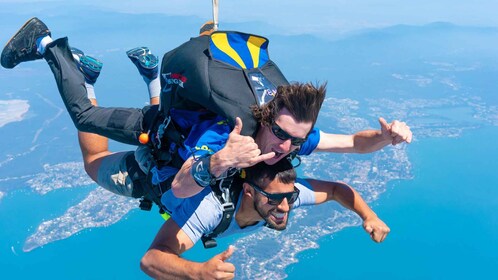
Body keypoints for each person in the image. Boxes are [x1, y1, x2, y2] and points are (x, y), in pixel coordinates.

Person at [0, 17, 412, 208]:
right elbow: (181, 187)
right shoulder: (230, 134)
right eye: (283, 135)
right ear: (265, 117)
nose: (287, 148)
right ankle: (47, 43)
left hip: (176, 126)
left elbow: (354, 144)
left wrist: (385, 137)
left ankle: (109, 70)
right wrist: (221, 160)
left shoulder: (289, 143)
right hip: (157, 127)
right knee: (86, 119)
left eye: (298, 140)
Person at [140, 159, 390, 279]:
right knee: (98, 159)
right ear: (248, 192)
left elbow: (336, 190)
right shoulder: (210, 210)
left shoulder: (283, 195)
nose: (285, 207)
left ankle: (151, 78)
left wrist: (369, 216)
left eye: (290, 197)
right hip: (148, 177)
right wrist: (198, 272)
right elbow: (151, 259)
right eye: (274, 199)